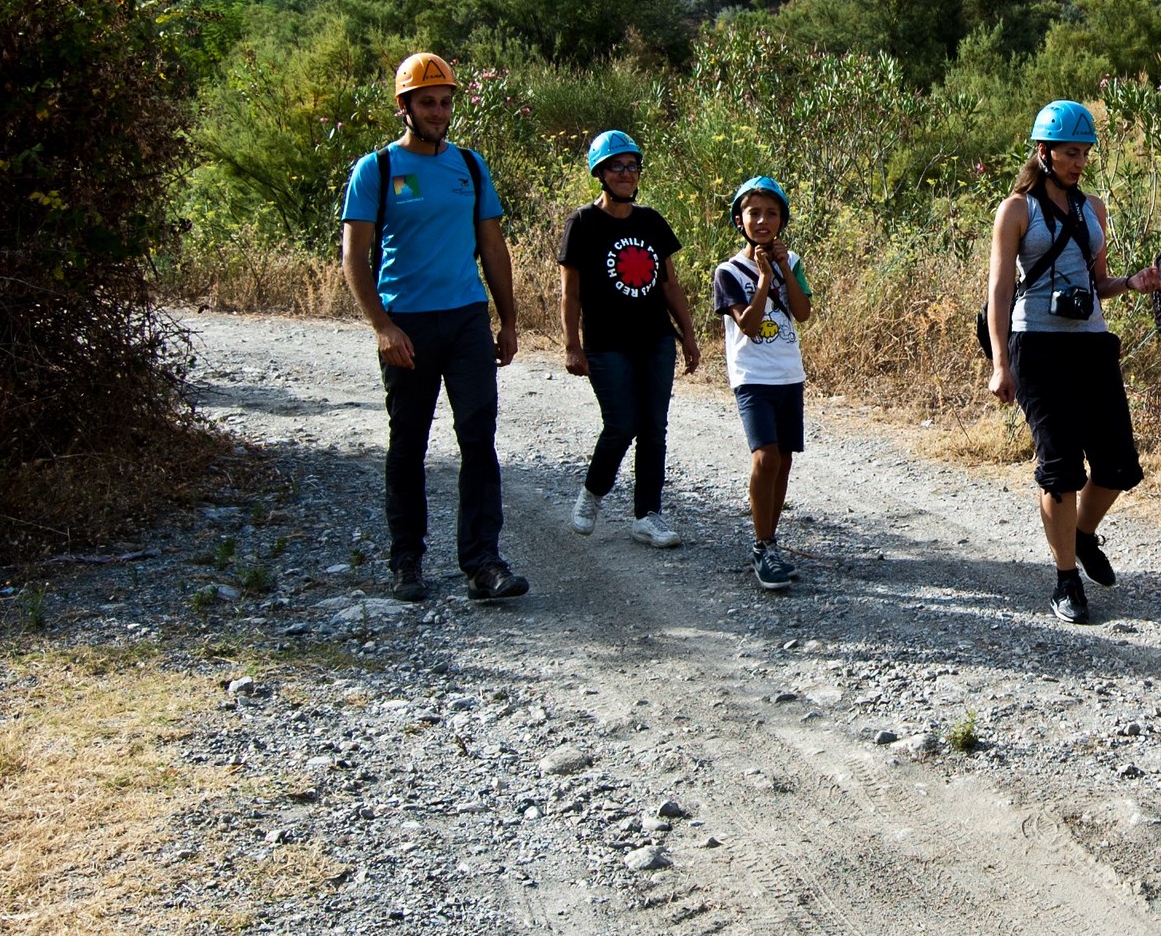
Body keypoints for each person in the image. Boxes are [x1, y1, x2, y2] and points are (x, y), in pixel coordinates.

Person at [340, 52, 527, 603]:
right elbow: (354, 257)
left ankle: (483, 563)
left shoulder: (469, 165)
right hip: (407, 324)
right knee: (409, 443)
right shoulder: (376, 169)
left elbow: (493, 247)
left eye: (445, 102)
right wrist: (382, 327)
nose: (438, 112)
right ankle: (407, 562)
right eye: (427, 102)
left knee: (479, 438)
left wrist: (508, 320)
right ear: (405, 107)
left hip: (467, 317)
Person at [984, 101, 1161, 624]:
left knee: (1118, 463)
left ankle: (1082, 535)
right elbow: (999, 290)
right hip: (1036, 344)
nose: (1079, 162)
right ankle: (1066, 579)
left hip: (1091, 342)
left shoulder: (1093, 209)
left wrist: (1131, 283)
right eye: (1069, 153)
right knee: (1060, 466)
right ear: (1044, 152)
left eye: (1085, 153)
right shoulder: (1016, 209)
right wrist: (1000, 363)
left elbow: (1097, 281)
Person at [558, 129, 703, 549]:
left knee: (654, 427)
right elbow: (570, 292)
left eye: (632, 166)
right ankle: (592, 494)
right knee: (621, 424)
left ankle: (647, 516)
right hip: (606, 343)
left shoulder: (651, 222)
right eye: (616, 166)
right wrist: (572, 345)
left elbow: (669, 284)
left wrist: (688, 335)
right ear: (600, 173)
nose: (625, 173)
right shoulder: (582, 223)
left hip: (655, 339)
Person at [711, 177, 813, 592]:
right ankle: (760, 545)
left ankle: (770, 542)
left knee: (783, 460)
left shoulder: (794, 261)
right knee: (765, 458)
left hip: (789, 374)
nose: (763, 221)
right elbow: (749, 326)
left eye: (771, 213)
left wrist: (784, 269)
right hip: (752, 377)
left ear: (781, 221)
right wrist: (763, 278)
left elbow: (803, 313)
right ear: (740, 220)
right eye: (754, 213)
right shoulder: (728, 272)